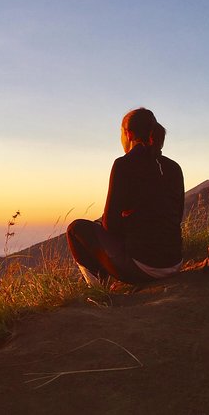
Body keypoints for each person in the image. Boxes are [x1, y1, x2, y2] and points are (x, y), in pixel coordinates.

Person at [66, 108, 185, 285]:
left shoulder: (123, 164)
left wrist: (126, 222)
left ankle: (97, 287)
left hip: (143, 268)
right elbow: (176, 215)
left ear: (128, 134)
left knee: (76, 228)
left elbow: (110, 225)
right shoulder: (174, 167)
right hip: (175, 262)